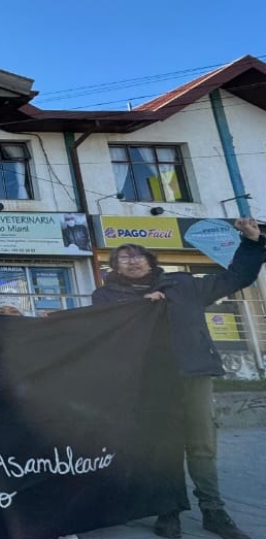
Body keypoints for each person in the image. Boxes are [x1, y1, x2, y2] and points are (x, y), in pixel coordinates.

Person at [92, 218, 263, 539]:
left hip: (192, 374)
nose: (131, 260)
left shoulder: (184, 285)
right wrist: (140, 305)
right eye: (123, 257)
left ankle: (213, 510)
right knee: (161, 447)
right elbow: (96, 328)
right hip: (146, 380)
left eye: (137, 254)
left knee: (201, 446)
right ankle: (168, 511)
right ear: (114, 266)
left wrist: (253, 243)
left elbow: (236, 276)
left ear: (151, 260)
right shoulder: (105, 296)